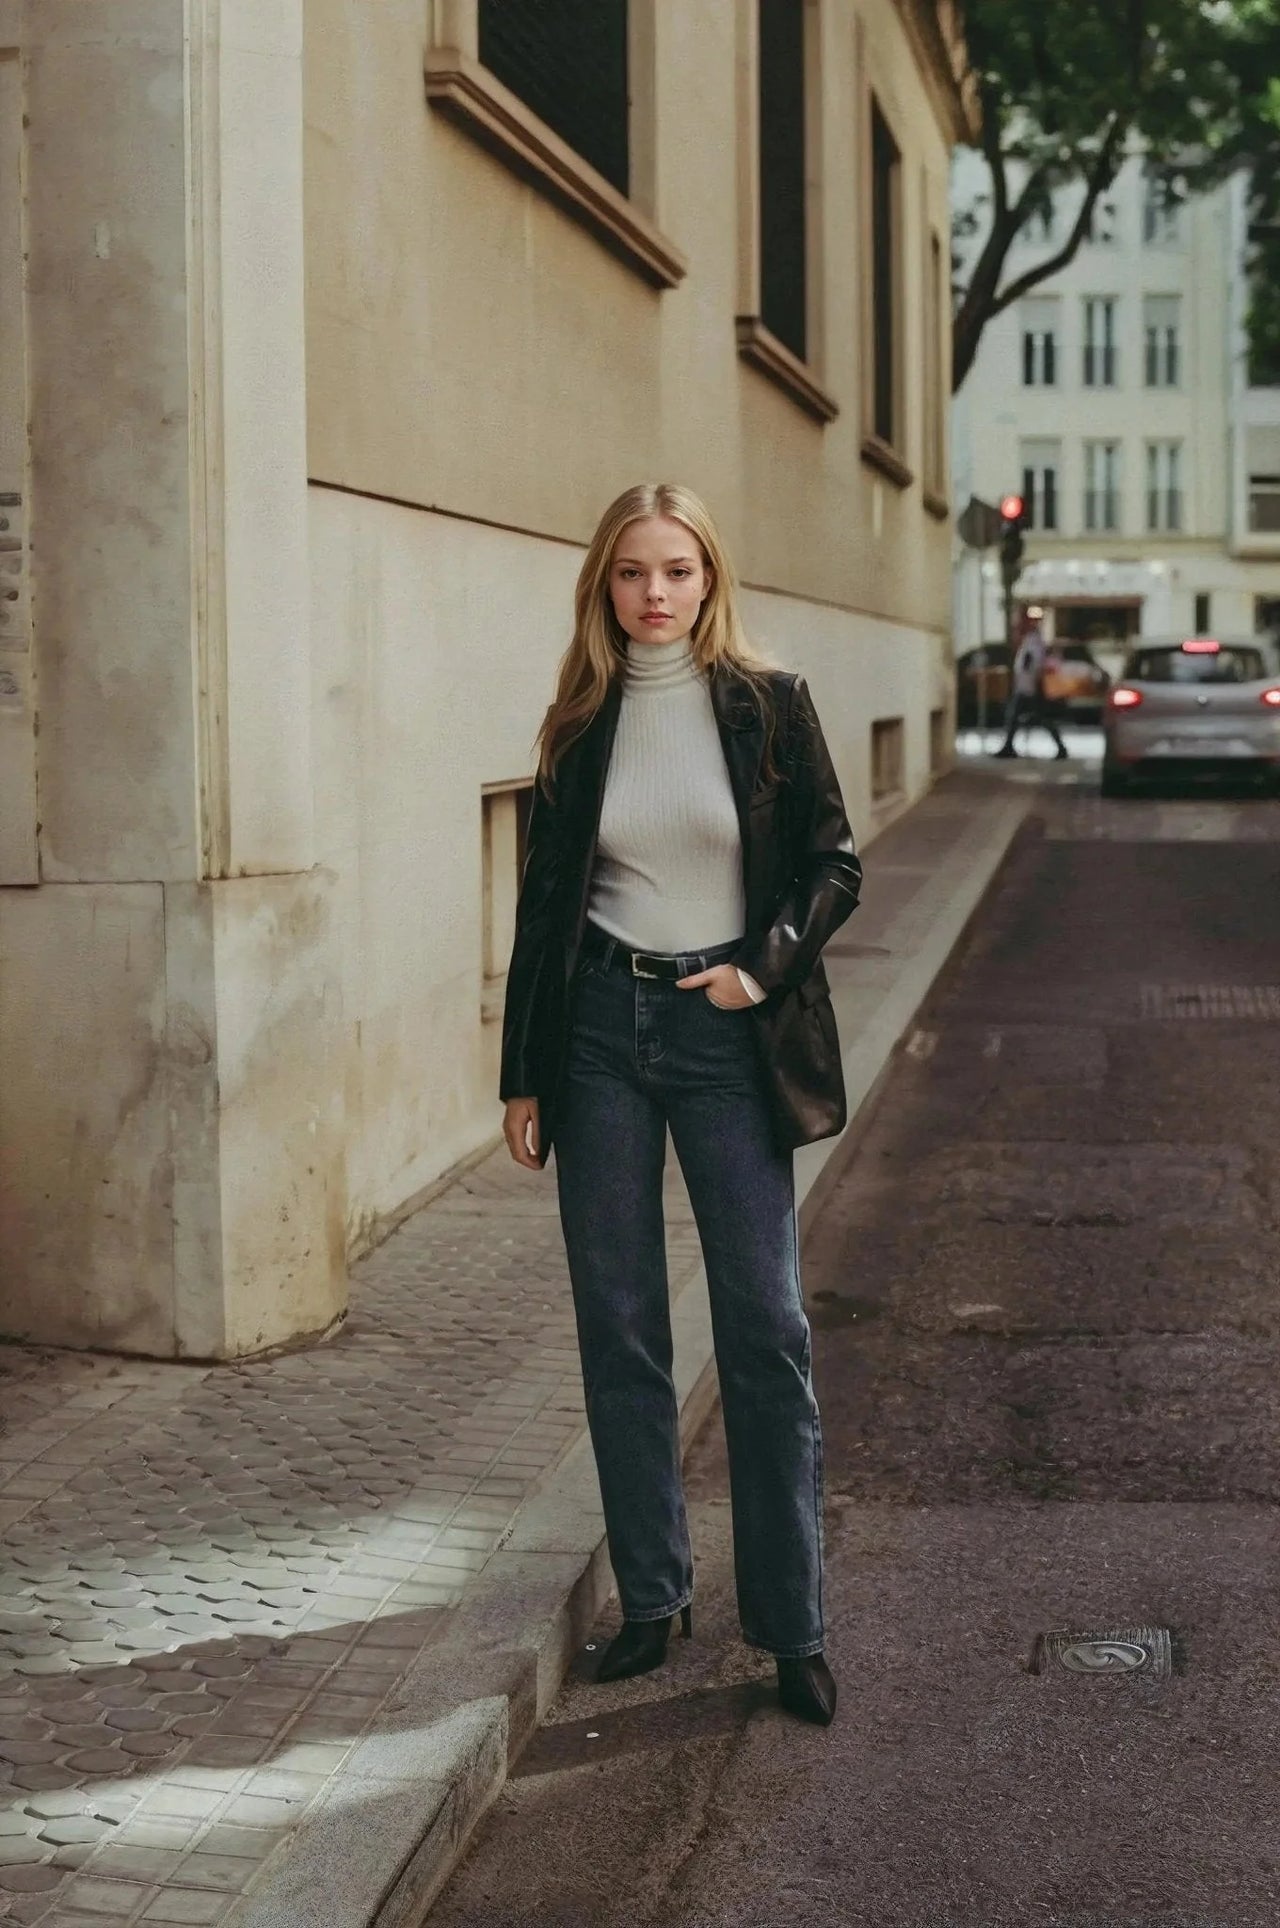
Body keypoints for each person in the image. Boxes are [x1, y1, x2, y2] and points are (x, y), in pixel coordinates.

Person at [500, 483, 862, 1727]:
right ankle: (651, 1596)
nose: (655, 593)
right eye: (630, 573)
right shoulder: (577, 721)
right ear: (603, 586)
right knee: (620, 1320)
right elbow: (545, 906)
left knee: (763, 1329)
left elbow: (833, 859)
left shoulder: (767, 705)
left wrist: (757, 966)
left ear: (711, 580)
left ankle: (791, 1624)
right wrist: (525, 1071)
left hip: (724, 1031)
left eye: (677, 570)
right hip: (600, 1027)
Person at [994, 607, 1069, 759]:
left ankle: (1009, 747)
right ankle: (1060, 748)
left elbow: (1033, 664)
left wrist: (1033, 684)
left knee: (1018, 716)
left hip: (1029, 687)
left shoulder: (1033, 640)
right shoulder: (1030, 639)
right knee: (1037, 718)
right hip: (1027, 685)